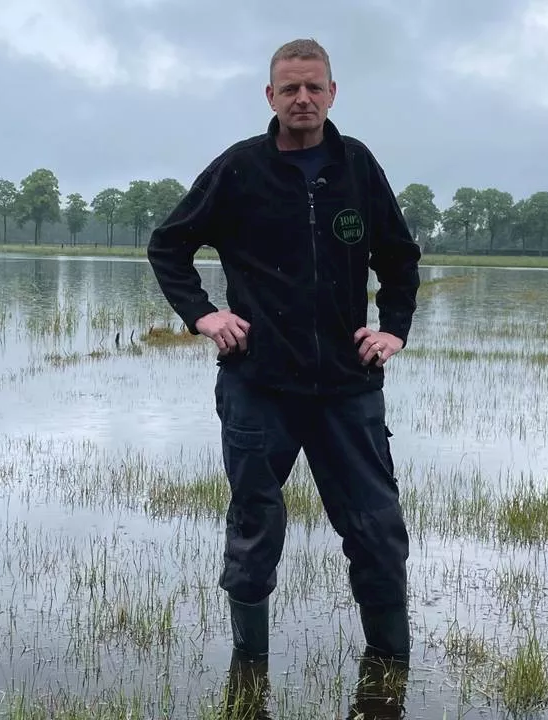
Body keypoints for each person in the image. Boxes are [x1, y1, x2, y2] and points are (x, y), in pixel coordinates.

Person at [146, 38, 421, 666]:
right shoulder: (240, 169)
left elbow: (399, 259)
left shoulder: (358, 167)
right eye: (290, 88)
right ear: (270, 96)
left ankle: (389, 666)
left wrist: (394, 328)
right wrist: (204, 314)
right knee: (254, 531)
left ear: (332, 93)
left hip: (348, 389)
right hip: (258, 386)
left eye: (314, 87)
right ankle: (249, 675)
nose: (303, 98)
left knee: (378, 532)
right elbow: (168, 246)